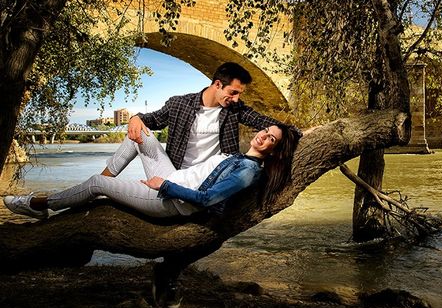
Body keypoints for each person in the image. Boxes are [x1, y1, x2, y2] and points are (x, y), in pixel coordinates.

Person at [3, 124, 299, 220]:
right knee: (139, 132)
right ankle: (106, 183)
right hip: (172, 178)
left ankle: (40, 205)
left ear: (274, 150)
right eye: (265, 131)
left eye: (271, 139)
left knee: (93, 183)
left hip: (168, 200)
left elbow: (209, 199)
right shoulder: (239, 155)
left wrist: (163, 186)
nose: (263, 136)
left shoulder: (248, 170)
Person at [111, 61, 298, 177]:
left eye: (239, 95)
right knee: (136, 132)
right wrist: (135, 118)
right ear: (217, 84)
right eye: (233, 93)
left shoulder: (234, 110)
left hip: (210, 178)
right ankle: (105, 180)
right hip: (174, 174)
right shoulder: (179, 104)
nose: (236, 99)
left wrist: (298, 132)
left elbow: (264, 122)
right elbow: (152, 119)